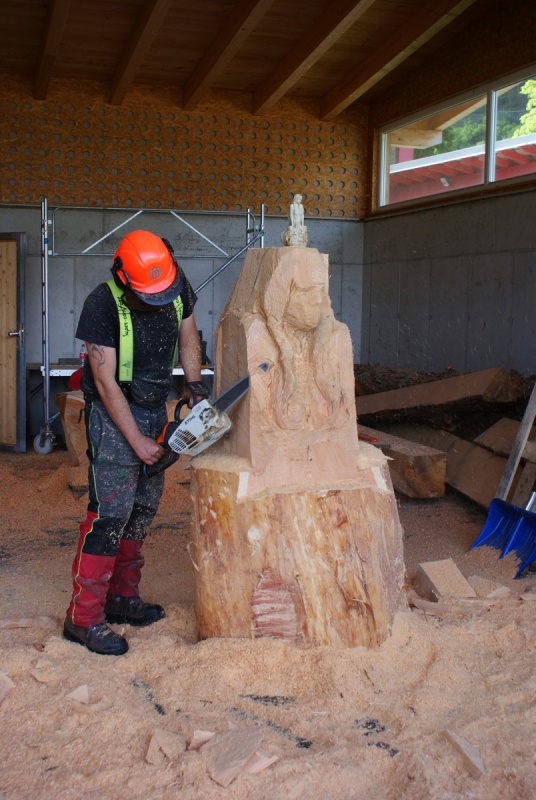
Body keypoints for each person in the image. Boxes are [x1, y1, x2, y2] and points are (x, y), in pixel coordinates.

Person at [63, 229, 207, 656]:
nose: (160, 301)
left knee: (142, 510)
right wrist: (138, 441)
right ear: (123, 278)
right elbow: (104, 381)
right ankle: (83, 618)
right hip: (114, 413)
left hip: (154, 406)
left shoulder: (175, 283)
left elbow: (189, 337)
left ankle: (122, 598)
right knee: (109, 515)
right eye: (149, 296)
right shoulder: (101, 304)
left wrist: (194, 387)